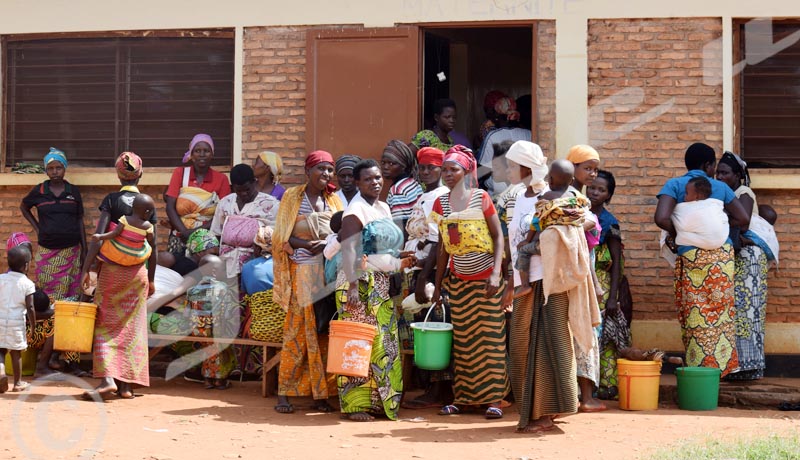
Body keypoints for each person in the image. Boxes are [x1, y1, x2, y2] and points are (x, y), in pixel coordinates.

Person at [654, 142, 750, 378]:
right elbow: (744, 218)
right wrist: (720, 228)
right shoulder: (720, 187)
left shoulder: (674, 185)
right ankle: (718, 370)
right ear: (708, 165)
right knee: (721, 313)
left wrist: (681, 234)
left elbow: (661, 218)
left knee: (695, 312)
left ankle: (698, 371)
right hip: (721, 259)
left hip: (691, 257)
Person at [430, 145, 508, 420]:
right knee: (463, 343)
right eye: (445, 170)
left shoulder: (482, 197)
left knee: (491, 340)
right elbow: (441, 247)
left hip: (486, 281)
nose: (448, 174)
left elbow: (498, 237)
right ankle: (463, 398)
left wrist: (496, 273)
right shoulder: (440, 204)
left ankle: (496, 399)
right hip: (459, 282)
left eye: (453, 170)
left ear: (466, 172)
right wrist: (438, 285)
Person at [80, 155, 159, 401]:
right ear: (141, 175)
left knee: (105, 323)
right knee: (132, 328)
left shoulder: (112, 200)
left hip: (113, 273)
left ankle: (107, 380)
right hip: (139, 275)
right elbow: (154, 248)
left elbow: (100, 235)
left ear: (118, 175)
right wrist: (153, 279)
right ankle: (126, 386)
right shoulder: (146, 205)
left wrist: (86, 268)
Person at [272, 150, 343, 415]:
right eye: (321, 169)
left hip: (325, 274)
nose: (325, 174)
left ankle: (321, 394)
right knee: (297, 333)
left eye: (329, 170)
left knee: (323, 334)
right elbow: (280, 238)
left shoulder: (334, 200)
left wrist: (324, 246)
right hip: (301, 272)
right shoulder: (293, 197)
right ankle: (284, 393)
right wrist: (305, 244)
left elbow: (341, 235)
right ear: (307, 171)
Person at [336, 159, 407, 421]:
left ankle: (380, 402)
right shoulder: (355, 211)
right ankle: (355, 405)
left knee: (382, 343)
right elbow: (349, 248)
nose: (375, 182)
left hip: (380, 280)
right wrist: (353, 285)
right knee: (358, 341)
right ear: (357, 183)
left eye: (378, 178)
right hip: (359, 282)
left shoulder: (383, 207)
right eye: (368, 179)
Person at [716, 152, 769, 380]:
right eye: (717, 172)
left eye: (725, 173)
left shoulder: (742, 193)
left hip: (748, 261)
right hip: (735, 259)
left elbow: (743, 220)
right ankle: (734, 366)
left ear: (737, 175)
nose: (719, 177)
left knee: (748, 313)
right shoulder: (723, 195)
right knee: (733, 312)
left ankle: (750, 366)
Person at [565, 143, 607, 412]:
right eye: (587, 168)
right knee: (583, 331)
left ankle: (582, 395)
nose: (592, 174)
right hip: (576, 272)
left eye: (595, 169)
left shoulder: (578, 197)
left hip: (581, 269)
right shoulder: (571, 198)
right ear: (573, 168)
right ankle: (585, 397)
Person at [587, 170, 633, 400]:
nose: (595, 192)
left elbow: (616, 264)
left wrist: (613, 297)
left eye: (601, 189)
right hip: (581, 281)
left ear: (608, 195)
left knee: (604, 336)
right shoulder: (579, 214)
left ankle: (606, 384)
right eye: (592, 187)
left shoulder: (608, 222)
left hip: (602, 286)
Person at [20, 147, 86, 302]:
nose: (55, 172)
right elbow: (24, 207)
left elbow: (79, 219)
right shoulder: (39, 191)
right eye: (50, 168)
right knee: (45, 291)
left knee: (71, 291)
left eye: (58, 167)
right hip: (47, 251)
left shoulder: (73, 192)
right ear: (46, 171)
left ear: (64, 168)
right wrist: (38, 228)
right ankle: (48, 320)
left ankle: (65, 322)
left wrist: (85, 249)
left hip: (71, 253)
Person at [513, 159, 576, 299]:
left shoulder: (547, 198)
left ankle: (524, 285)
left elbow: (536, 221)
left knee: (523, 251)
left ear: (551, 180)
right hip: (568, 244)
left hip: (547, 245)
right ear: (571, 181)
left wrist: (527, 240)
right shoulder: (573, 198)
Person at [165, 134, 231, 255]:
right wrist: (184, 232)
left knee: (204, 266)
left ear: (212, 154)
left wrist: (194, 232)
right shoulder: (180, 173)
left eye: (206, 151)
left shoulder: (221, 179)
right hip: (180, 234)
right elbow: (170, 207)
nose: (201, 154)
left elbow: (224, 213)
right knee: (174, 264)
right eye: (197, 151)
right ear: (191, 154)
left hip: (207, 236)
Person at [210, 164, 279, 279]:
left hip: (257, 263)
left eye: (247, 189)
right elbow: (216, 235)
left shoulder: (271, 204)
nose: (244, 194)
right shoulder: (225, 203)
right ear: (233, 188)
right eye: (239, 190)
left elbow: (278, 236)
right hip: (225, 263)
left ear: (254, 182)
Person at [0, 246, 36, 393]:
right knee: (16, 353)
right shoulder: (27, 283)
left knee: (0, 351)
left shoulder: (1, 279)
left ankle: (1, 372)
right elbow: (31, 307)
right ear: (26, 265)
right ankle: (18, 383)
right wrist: (33, 326)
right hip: (16, 324)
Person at [477, 98, 532, 193]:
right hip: (524, 187)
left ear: (497, 116)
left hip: (498, 190)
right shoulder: (529, 134)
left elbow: (483, 169)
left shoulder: (493, 135)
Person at [92, 194, 155, 267]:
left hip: (117, 253)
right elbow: (150, 239)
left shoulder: (124, 219)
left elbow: (115, 233)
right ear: (146, 212)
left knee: (111, 230)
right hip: (136, 256)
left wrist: (100, 236)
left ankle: (97, 263)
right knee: (148, 246)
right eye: (151, 212)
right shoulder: (149, 226)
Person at [382, 140, 424, 235]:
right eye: (383, 162)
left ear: (403, 166)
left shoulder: (398, 190)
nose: (385, 167)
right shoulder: (412, 182)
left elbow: (400, 227)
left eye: (391, 163)